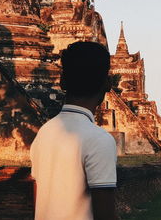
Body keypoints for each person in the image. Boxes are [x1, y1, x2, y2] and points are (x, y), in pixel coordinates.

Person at [30, 41, 118, 220]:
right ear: (107, 84)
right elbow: (105, 215)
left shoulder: (44, 132)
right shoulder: (99, 140)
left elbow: (39, 202)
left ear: (62, 82)